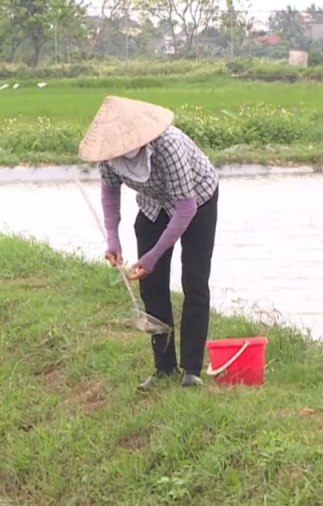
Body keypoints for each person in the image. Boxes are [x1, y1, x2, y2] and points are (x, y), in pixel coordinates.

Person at [78, 95, 220, 391]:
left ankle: (191, 369)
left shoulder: (168, 145)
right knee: (151, 285)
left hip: (197, 201)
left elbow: (185, 209)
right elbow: (110, 192)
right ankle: (164, 366)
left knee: (194, 281)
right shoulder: (109, 155)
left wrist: (153, 256)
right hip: (154, 204)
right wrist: (113, 240)